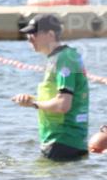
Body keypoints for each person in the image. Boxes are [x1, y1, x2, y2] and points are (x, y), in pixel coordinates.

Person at [11, 14, 89, 161]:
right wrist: (31, 99)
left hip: (62, 142)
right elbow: (62, 98)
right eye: (28, 34)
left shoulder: (64, 58)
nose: (29, 38)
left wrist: (33, 104)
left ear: (50, 34)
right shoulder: (61, 57)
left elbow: (62, 105)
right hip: (65, 142)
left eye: (33, 33)